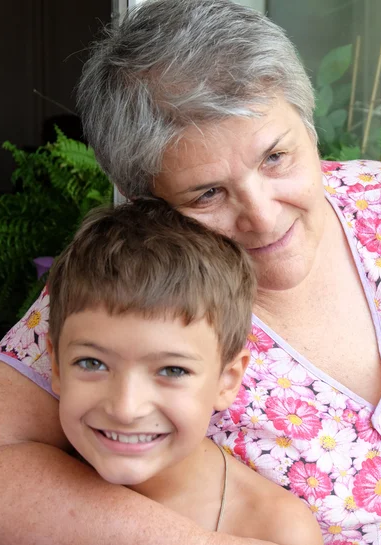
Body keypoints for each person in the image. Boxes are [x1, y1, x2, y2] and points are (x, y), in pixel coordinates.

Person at [0, 1, 381, 544]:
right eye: (207, 193)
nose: (263, 217)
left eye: (276, 157)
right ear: (148, 203)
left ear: (307, 122)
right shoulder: (129, 297)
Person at [45, 198, 322, 544]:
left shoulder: (277, 530)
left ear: (228, 380)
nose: (126, 408)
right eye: (92, 363)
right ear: (55, 364)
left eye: (172, 370)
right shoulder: (19, 496)